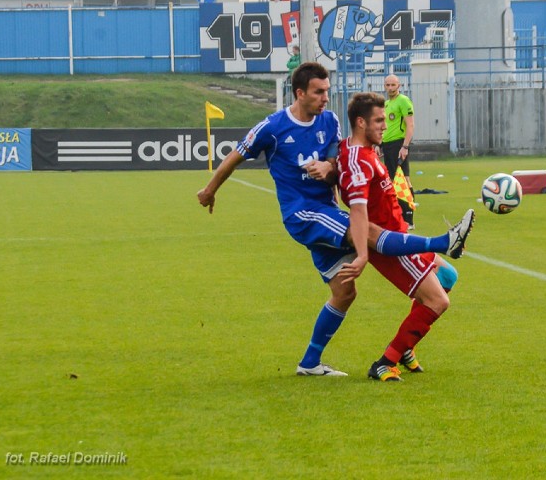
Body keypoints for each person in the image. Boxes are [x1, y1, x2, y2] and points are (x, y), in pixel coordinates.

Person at [197, 62, 474, 377]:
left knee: (345, 292)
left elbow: (335, 161)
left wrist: (329, 169)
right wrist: (209, 190)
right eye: (318, 92)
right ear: (300, 93)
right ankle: (442, 242)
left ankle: (310, 363)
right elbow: (234, 157)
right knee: (364, 228)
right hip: (303, 214)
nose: (325, 98)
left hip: (327, 211)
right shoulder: (272, 128)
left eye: (327, 91)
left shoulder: (329, 122)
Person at [338, 92, 462, 382]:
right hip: (389, 244)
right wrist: (363, 251)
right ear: (360, 122)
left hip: (400, 235)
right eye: (379, 120)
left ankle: (405, 348)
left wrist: (329, 168)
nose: (385, 125)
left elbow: (341, 167)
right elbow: (356, 205)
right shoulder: (359, 159)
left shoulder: (357, 150)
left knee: (448, 278)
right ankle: (385, 362)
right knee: (438, 302)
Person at [381, 74, 416, 229]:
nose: (390, 88)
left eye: (393, 85)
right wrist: (379, 144)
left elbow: (410, 125)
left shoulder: (403, 101)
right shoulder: (387, 103)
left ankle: (409, 218)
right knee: (392, 180)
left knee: (403, 179)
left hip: (398, 145)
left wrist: (405, 146)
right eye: (387, 85)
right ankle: (399, 215)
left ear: (399, 86)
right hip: (387, 146)